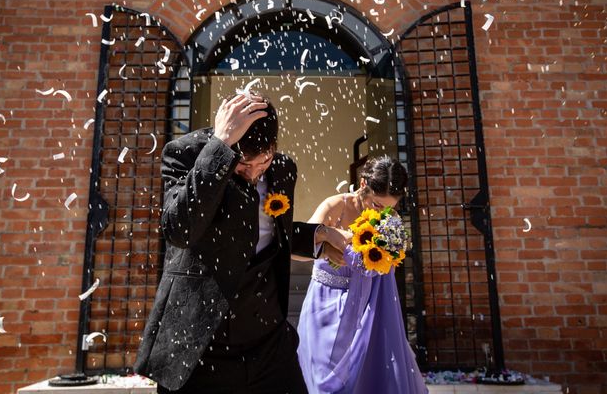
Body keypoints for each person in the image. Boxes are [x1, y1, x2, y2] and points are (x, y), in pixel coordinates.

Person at [134, 91, 351, 393]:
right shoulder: (185, 153)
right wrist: (220, 147)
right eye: (242, 165)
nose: (252, 174)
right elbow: (179, 229)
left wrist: (319, 235)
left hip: (267, 343)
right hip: (200, 344)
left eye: (261, 163)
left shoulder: (282, 169)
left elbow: (264, 231)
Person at [297, 156, 429, 394]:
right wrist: (325, 241)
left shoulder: (390, 222)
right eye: (378, 205)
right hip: (324, 307)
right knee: (320, 382)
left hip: (366, 313)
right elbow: (297, 251)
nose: (384, 212)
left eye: (391, 206)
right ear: (362, 185)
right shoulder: (335, 206)